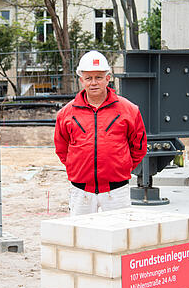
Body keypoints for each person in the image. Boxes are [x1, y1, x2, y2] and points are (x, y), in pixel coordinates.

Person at [54, 50, 147, 216]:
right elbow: (62, 148)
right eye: (88, 78)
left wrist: (121, 166)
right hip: (81, 191)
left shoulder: (129, 110)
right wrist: (77, 168)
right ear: (81, 80)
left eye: (98, 77)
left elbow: (139, 147)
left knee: (119, 238)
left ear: (107, 79)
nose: (93, 82)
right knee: (81, 238)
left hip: (116, 191)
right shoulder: (66, 113)